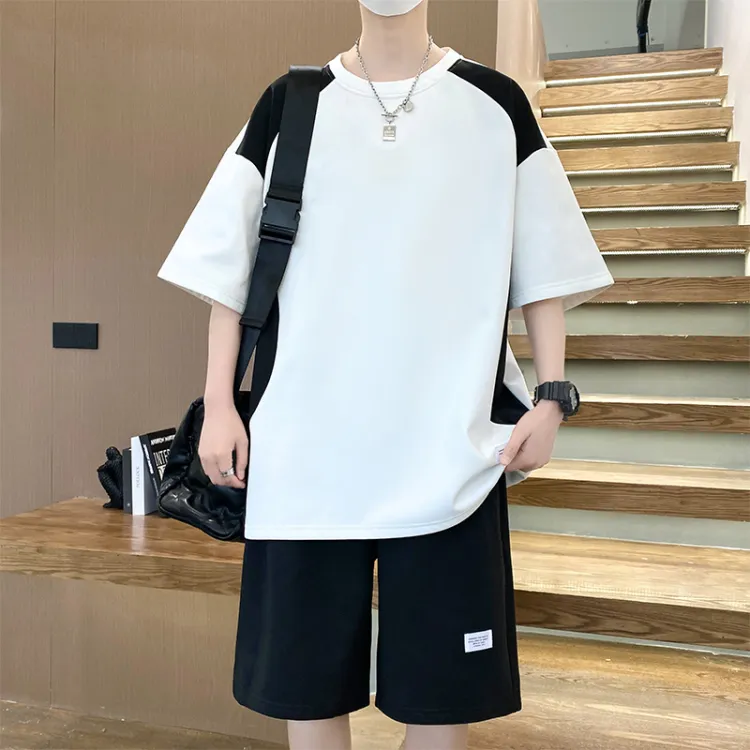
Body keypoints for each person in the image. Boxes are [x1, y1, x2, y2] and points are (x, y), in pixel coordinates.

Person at [157, 1, 613, 748]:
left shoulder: (495, 104)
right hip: (304, 461)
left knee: (439, 709)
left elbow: (545, 269)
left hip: (451, 460)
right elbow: (228, 278)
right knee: (308, 699)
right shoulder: (290, 104)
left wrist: (552, 398)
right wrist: (220, 404)